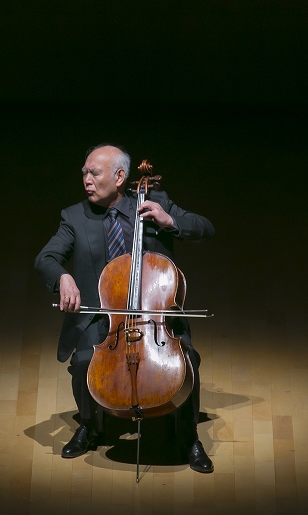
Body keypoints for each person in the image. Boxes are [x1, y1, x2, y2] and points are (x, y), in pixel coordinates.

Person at [34, 143, 215, 473]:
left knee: (187, 360)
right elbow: (46, 258)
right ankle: (89, 426)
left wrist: (170, 220)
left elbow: (205, 228)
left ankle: (189, 438)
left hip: (154, 319)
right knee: (85, 362)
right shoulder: (74, 216)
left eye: (94, 173)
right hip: (105, 318)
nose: (86, 179)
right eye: (84, 173)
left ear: (120, 177)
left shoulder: (154, 202)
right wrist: (62, 278)